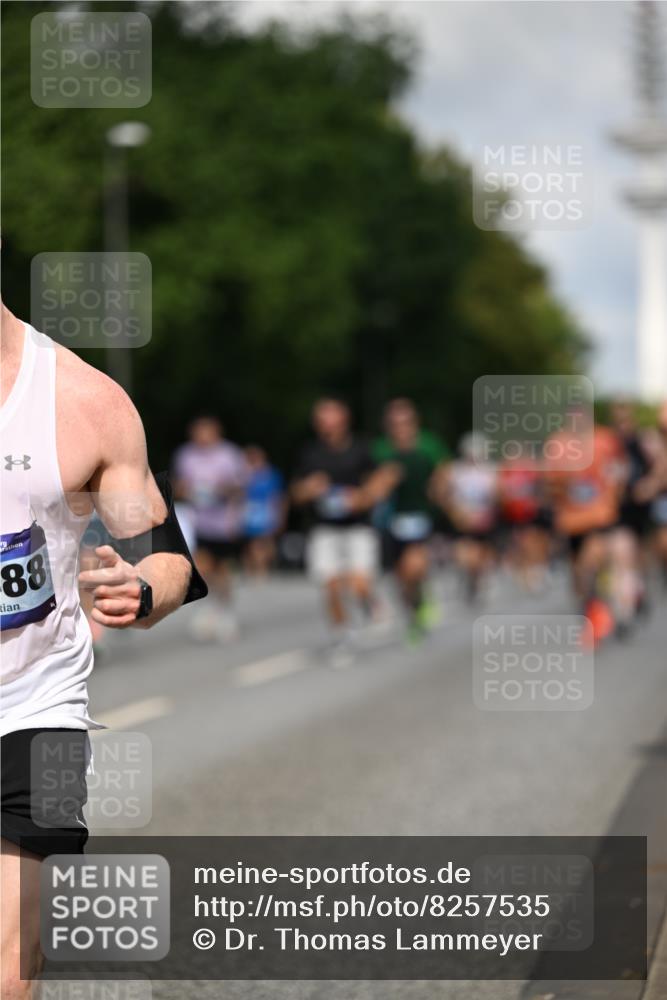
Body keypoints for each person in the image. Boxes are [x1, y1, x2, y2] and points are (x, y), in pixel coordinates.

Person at [0, 301, 203, 999]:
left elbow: (166, 557)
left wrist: (139, 590)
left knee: (8, 969)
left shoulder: (84, 401)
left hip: (34, 706)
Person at [292, 398, 384, 667]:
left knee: (358, 584)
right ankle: (343, 636)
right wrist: (308, 489)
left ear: (344, 421)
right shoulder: (310, 454)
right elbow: (295, 494)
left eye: (331, 420)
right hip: (324, 529)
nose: (326, 426)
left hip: (358, 527)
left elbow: (379, 484)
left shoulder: (362, 449)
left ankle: (369, 600)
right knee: (330, 584)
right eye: (321, 421)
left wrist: (361, 497)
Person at [545, 409, 626, 641]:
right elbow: (550, 481)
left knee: (591, 561)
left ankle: (603, 608)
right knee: (578, 572)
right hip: (571, 521)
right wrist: (563, 484)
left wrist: (614, 494)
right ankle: (589, 605)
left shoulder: (605, 439)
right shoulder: (557, 444)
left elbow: (619, 470)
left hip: (600, 515)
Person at [373, 399, 447, 641]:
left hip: (421, 516)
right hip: (392, 521)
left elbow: (443, 473)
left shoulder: (429, 446)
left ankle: (423, 599)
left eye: (405, 422)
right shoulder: (382, 450)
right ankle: (414, 615)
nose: (401, 428)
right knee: (402, 577)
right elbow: (373, 485)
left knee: (415, 567)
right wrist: (385, 482)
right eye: (395, 424)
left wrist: (438, 488)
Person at [173, 416, 248, 640]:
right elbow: (178, 485)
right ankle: (209, 608)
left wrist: (220, 489)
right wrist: (186, 490)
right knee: (202, 568)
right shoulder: (186, 455)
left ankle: (225, 609)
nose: (202, 437)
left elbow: (240, 486)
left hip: (224, 522)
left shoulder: (229, 454)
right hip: (199, 521)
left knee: (223, 570)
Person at [438, 432, 498, 604]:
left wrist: (487, 514)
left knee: (479, 558)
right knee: (464, 556)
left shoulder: (490, 470)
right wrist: (456, 513)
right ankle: (469, 580)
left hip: (483, 522)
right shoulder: (455, 470)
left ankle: (479, 581)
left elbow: (497, 497)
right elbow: (444, 495)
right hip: (462, 521)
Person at [497, 448, 552, 593]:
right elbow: (501, 492)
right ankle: (525, 572)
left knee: (534, 542)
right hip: (513, 515)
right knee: (521, 544)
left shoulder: (531, 470)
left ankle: (535, 571)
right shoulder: (506, 471)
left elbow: (541, 487)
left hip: (531, 513)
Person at [242, 445, 286, 578]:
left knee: (265, 541)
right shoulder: (244, 474)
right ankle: (255, 568)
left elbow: (278, 496)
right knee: (253, 542)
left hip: (266, 511)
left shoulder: (272, 474)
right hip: (249, 511)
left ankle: (263, 566)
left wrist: (279, 515)